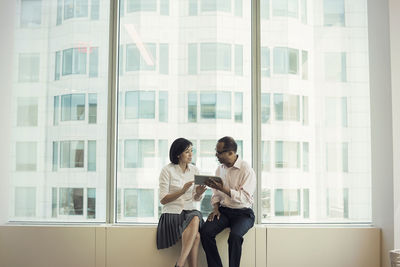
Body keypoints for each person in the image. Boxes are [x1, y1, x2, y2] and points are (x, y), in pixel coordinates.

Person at [200, 136, 256, 267]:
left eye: (219, 153)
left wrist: (225, 189)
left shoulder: (246, 170)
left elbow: (245, 198)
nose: (216, 155)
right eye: (216, 152)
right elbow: (216, 194)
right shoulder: (220, 169)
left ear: (231, 153)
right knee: (205, 232)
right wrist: (215, 208)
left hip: (243, 213)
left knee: (235, 237)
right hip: (224, 211)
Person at [157, 138, 207, 267]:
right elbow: (163, 200)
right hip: (172, 214)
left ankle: (179, 264)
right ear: (178, 154)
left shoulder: (195, 170)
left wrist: (199, 193)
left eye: (191, 151)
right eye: (187, 152)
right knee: (196, 236)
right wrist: (182, 190)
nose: (191, 154)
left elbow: (195, 199)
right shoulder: (167, 170)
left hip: (190, 212)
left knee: (195, 217)